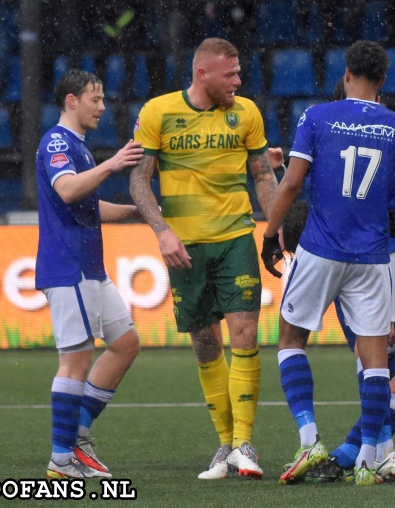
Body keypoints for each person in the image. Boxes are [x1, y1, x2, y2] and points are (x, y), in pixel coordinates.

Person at [261, 40, 395, 486]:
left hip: (320, 248)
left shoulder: (316, 116)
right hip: (372, 258)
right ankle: (371, 458)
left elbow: (293, 183)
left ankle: (310, 439)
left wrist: (270, 233)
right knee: (375, 359)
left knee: (291, 338)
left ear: (348, 72)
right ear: (383, 80)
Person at [129, 38, 279, 480]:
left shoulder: (246, 112)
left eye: (238, 73)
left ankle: (245, 443)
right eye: (230, 74)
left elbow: (263, 175)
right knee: (205, 344)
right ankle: (224, 445)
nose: (238, 80)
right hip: (186, 247)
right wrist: (163, 232)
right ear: (203, 75)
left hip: (235, 236)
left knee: (245, 333)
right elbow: (139, 182)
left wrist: (274, 227)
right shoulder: (158, 113)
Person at [36, 69, 144, 479]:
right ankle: (61, 460)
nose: (102, 106)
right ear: (71, 102)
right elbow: (66, 190)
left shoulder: (78, 147)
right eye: (95, 99)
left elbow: (88, 207)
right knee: (75, 362)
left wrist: (136, 213)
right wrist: (114, 163)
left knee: (126, 344)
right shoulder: (58, 142)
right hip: (68, 267)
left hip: (89, 268)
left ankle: (76, 435)